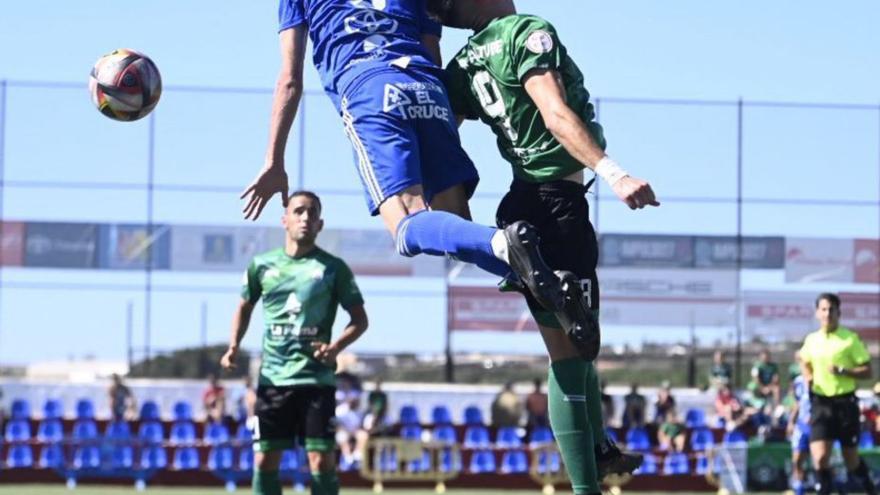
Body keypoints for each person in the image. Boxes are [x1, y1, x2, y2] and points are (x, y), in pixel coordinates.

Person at [243, 0, 598, 354]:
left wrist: (274, 159)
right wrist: (437, 127)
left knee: (407, 226)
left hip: (369, 87)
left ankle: (508, 249)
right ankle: (548, 283)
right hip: (428, 86)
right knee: (456, 226)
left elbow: (290, 80)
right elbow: (433, 54)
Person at [428, 1, 656, 492]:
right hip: (557, 206)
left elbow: (439, 132)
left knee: (579, 344)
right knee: (571, 355)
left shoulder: (467, 61)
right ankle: (585, 486)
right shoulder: (525, 32)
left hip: (523, 207)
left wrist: (452, 213)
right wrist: (614, 173)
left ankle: (598, 447)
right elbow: (555, 113)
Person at [220, 191, 369, 495]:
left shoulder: (332, 268)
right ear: (284, 220)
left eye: (312, 213)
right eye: (299, 211)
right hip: (273, 379)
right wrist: (234, 344)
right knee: (264, 460)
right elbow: (244, 307)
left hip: (316, 380)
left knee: (321, 460)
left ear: (320, 224)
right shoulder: (262, 265)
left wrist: (335, 347)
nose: (305, 218)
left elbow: (359, 320)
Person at [799, 293, 876, 495]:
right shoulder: (812, 340)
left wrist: (844, 371)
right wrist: (808, 375)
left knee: (850, 459)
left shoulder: (850, 339)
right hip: (820, 403)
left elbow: (868, 371)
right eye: (823, 309)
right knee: (820, 456)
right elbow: (803, 359)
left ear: (838, 312)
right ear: (817, 313)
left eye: (831, 309)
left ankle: (871, 489)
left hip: (845, 403)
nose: (827, 313)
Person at [787, 354, 811, 495]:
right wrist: (791, 422)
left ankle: (829, 486)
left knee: (819, 461)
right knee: (797, 460)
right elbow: (797, 403)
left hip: (816, 425)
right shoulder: (798, 382)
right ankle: (799, 490)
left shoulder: (817, 379)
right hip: (801, 425)